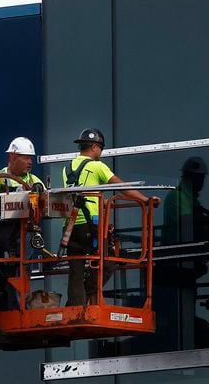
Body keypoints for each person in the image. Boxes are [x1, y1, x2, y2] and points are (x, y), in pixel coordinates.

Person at [62, 128, 158, 306]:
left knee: (75, 268)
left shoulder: (67, 168)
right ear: (94, 147)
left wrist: (102, 202)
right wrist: (145, 200)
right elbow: (122, 186)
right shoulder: (97, 166)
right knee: (109, 260)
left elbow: (82, 192)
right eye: (101, 149)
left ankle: (75, 305)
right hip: (91, 225)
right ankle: (88, 290)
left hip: (71, 225)